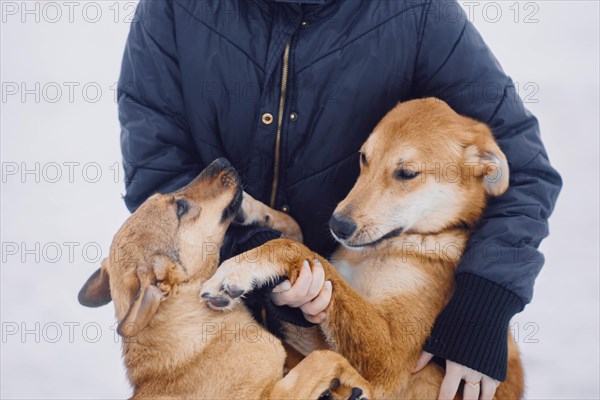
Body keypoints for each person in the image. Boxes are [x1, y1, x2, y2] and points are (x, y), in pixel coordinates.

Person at [118, 0, 561, 398]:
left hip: (319, 315)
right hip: (217, 295)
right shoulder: (172, 9)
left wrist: (484, 301)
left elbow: (526, 171)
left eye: (404, 174)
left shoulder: (419, 13)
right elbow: (157, 178)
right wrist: (258, 253)